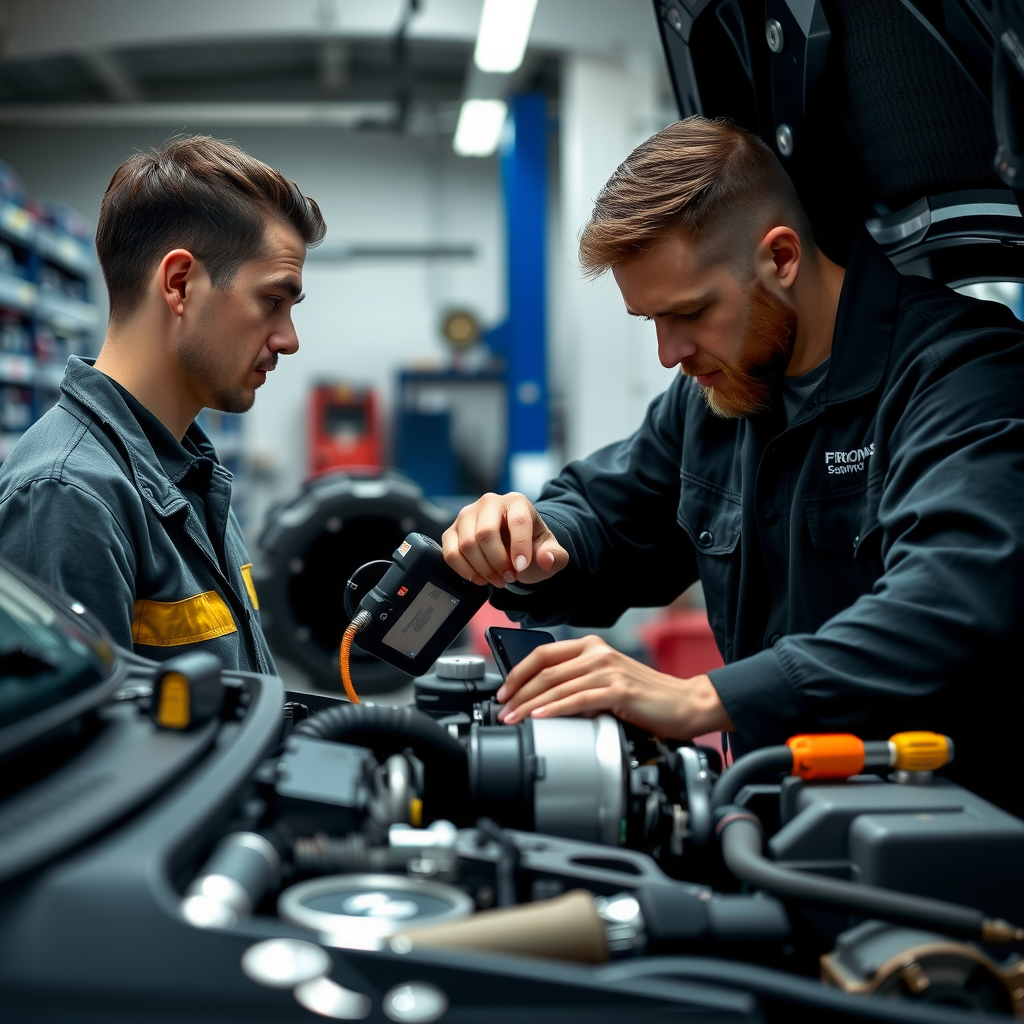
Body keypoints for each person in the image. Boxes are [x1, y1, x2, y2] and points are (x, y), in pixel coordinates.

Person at [443, 117, 1024, 812]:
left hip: (949, 829)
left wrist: (704, 697)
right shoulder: (720, 393)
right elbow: (606, 511)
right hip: (774, 816)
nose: (669, 354)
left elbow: (952, 600)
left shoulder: (963, 374)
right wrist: (536, 537)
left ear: (781, 257)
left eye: (690, 312)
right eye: (650, 320)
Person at [0, 136, 325, 672]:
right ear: (179, 284)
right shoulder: (67, 496)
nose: (288, 339)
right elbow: (80, 725)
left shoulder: (188, 471)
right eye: (272, 300)